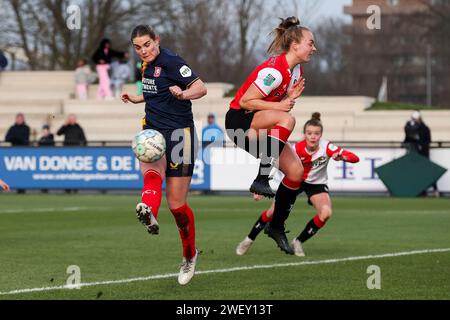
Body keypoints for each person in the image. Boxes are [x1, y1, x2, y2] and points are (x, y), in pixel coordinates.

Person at [121, 25, 207, 285]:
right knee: (151, 172)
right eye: (138, 47)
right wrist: (138, 99)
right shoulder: (145, 66)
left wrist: (183, 93)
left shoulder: (171, 61)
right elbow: (154, 92)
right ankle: (149, 211)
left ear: (157, 41)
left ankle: (189, 254)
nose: (143, 50)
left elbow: (201, 88)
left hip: (181, 136)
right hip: (153, 132)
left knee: (178, 206)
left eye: (147, 44)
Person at [225, 16, 316, 254]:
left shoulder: (296, 71)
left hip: (261, 124)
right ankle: (262, 178)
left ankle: (276, 226)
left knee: (296, 172)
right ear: (294, 45)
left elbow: (280, 104)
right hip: (240, 122)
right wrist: (283, 105)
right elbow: (246, 101)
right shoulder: (274, 71)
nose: (314, 48)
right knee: (288, 119)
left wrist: (288, 100)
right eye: (310, 42)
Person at [236, 113, 360, 256]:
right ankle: (249, 239)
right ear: (304, 134)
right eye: (309, 133)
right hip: (296, 181)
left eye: (317, 134)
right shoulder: (296, 149)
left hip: (316, 184)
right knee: (272, 212)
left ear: (321, 135)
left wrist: (342, 157)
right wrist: (261, 188)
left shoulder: (327, 147)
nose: (313, 137)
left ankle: (298, 242)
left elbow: (354, 158)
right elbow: (277, 166)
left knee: (326, 213)